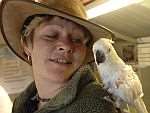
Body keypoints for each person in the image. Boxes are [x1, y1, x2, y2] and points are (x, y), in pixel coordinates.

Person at [0, 0, 117, 113]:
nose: (66, 46)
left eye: (77, 39)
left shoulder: (98, 105)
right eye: (51, 35)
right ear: (26, 45)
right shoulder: (21, 103)